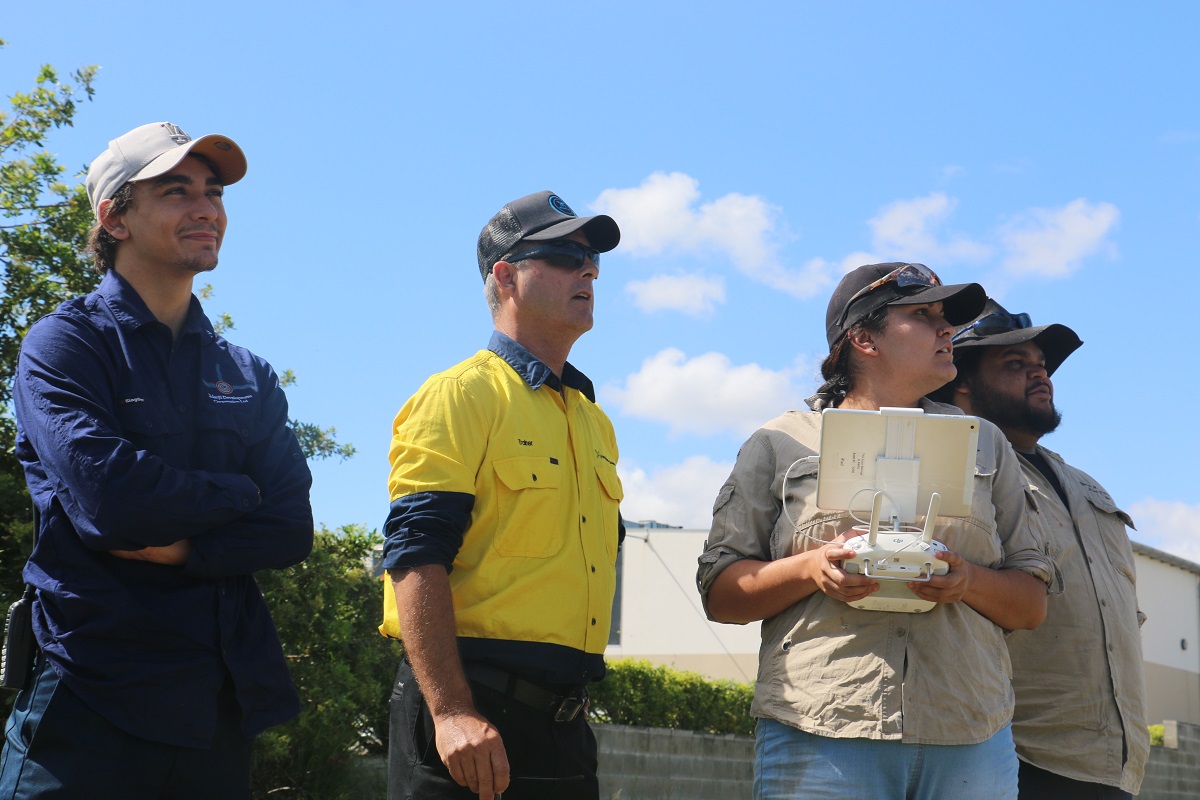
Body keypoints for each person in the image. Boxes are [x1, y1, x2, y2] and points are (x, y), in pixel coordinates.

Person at [0, 122, 314, 799]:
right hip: (89, 700)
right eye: (177, 192)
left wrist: (184, 549)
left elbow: (291, 529)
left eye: (213, 192)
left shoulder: (247, 372)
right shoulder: (63, 346)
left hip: (216, 710)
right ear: (114, 218)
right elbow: (116, 503)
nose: (207, 209)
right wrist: (242, 493)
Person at [697, 263, 1054, 800]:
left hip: (971, 733)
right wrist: (811, 568)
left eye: (945, 317)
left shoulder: (987, 444)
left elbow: (1031, 605)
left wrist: (968, 581)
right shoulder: (779, 441)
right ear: (864, 338)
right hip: (821, 728)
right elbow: (721, 596)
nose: (947, 329)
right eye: (924, 314)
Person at [381, 190, 623, 800]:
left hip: (565, 730)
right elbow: (414, 554)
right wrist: (450, 711)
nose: (588, 271)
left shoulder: (593, 421)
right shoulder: (460, 394)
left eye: (592, 259)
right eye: (565, 256)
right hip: (470, 714)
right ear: (506, 276)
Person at [929, 299, 1148, 799]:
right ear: (962, 382)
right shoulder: (956, 474)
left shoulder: (1086, 485)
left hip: (1115, 762)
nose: (1040, 374)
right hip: (1012, 753)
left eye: (1041, 364)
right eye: (1015, 363)